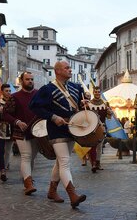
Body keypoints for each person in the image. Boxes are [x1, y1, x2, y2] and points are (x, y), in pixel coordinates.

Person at [29, 60, 86, 208]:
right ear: (58, 71)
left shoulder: (76, 87)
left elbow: (79, 105)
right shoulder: (47, 89)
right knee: (65, 161)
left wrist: (85, 100)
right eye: (67, 68)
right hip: (56, 128)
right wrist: (53, 117)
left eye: (69, 68)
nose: (70, 70)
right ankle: (73, 195)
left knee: (60, 162)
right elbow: (34, 107)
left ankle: (52, 191)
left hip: (72, 127)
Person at [3, 71, 39, 195]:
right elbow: (5, 113)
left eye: (32, 79)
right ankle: (28, 183)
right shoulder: (15, 97)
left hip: (36, 131)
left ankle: (28, 178)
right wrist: (17, 121)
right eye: (27, 79)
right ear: (22, 81)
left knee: (32, 157)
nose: (30, 81)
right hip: (21, 131)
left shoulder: (38, 94)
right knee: (26, 156)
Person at [86, 86, 112, 173]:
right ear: (93, 92)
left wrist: (109, 113)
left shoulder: (105, 103)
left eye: (98, 91)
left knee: (99, 146)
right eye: (95, 92)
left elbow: (108, 117)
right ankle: (93, 163)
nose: (97, 93)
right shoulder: (89, 103)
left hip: (102, 126)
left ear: (100, 93)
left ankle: (98, 162)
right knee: (92, 145)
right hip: (92, 127)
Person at [0, 84, 14, 181]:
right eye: (7, 91)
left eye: (10, 91)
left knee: (8, 151)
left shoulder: (13, 102)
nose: (9, 93)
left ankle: (4, 167)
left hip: (10, 129)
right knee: (0, 150)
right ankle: (2, 170)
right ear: (2, 91)